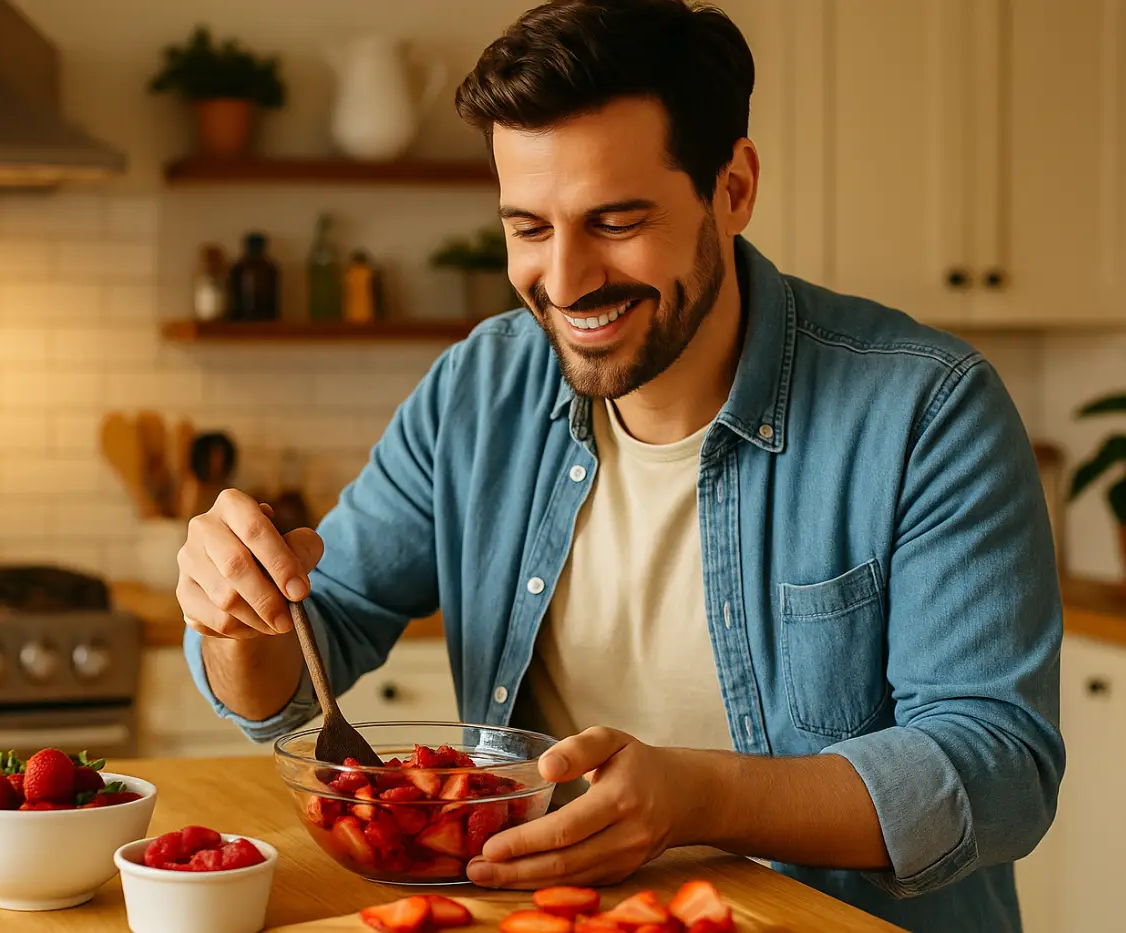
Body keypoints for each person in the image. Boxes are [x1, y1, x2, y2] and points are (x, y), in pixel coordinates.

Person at [177, 1, 1064, 929]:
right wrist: (238, 619)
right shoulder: (479, 388)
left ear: (735, 186)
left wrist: (698, 797)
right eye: (528, 228)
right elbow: (307, 654)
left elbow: (999, 767)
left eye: (616, 219)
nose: (564, 282)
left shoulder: (926, 409)